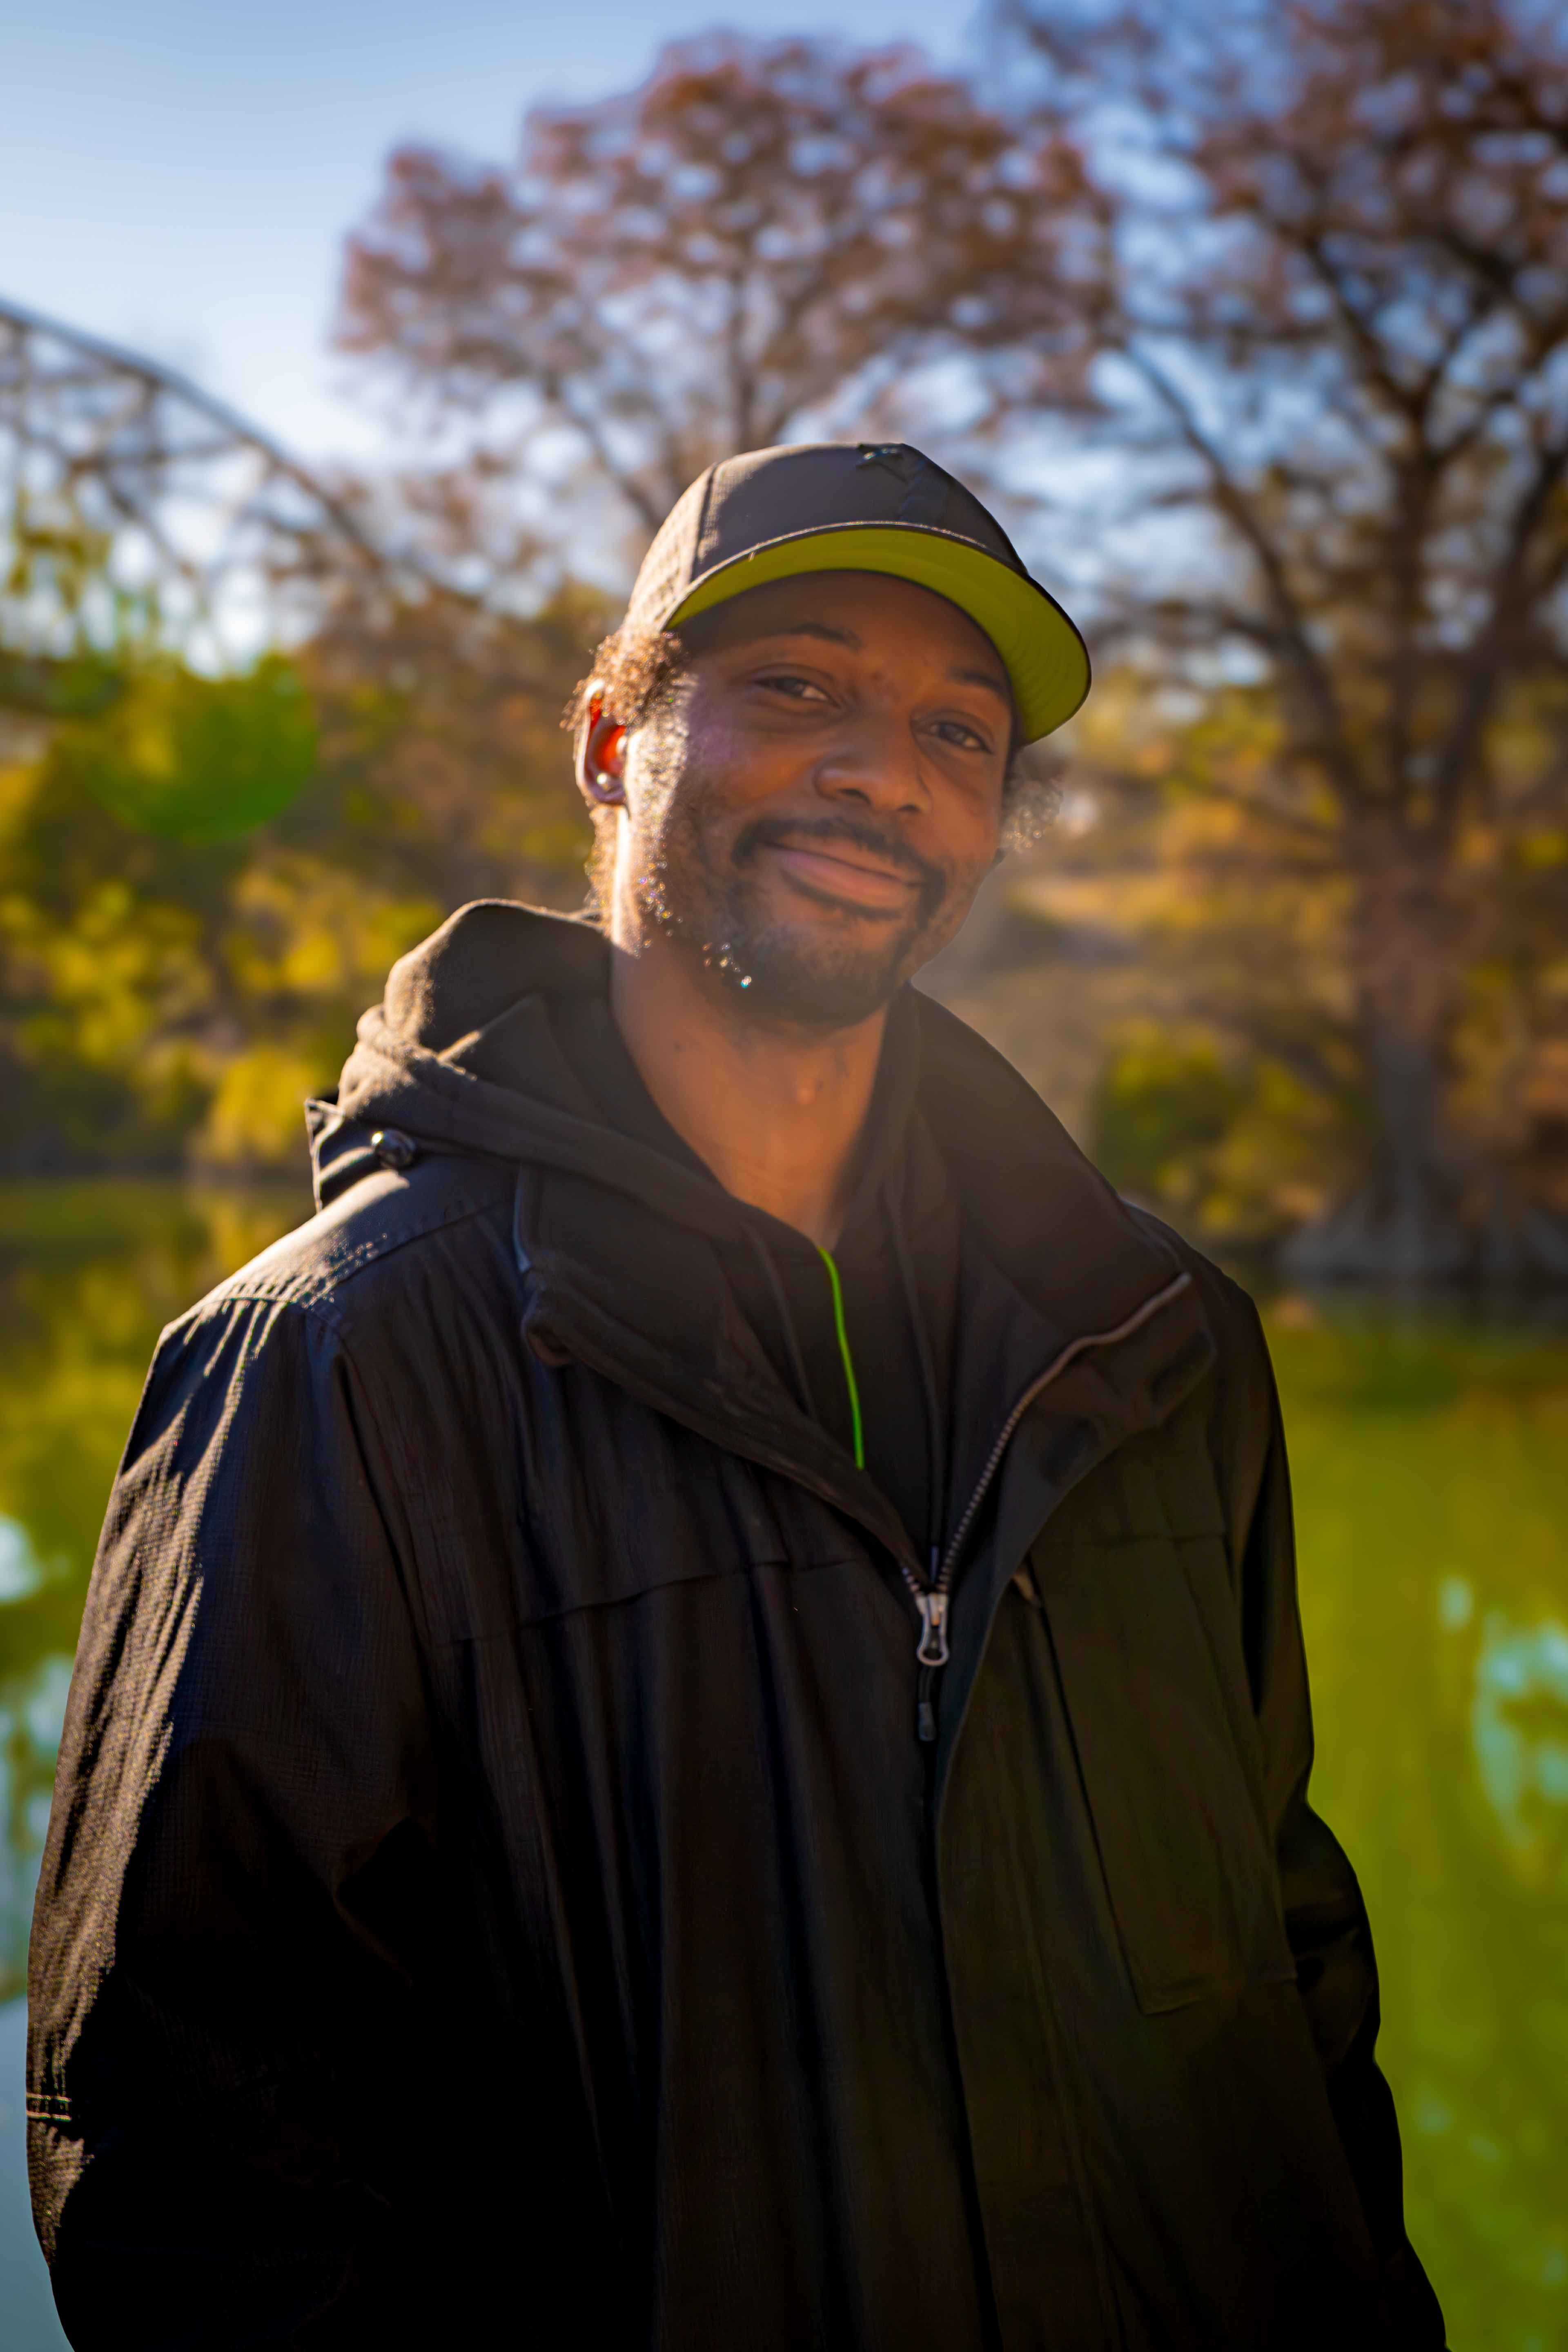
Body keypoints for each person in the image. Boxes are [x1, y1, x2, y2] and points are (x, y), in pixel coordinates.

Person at [27, 442, 1445, 2350]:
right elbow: (193, 2152)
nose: (885, 770)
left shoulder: (1162, 1341)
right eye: (796, 687)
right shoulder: (330, 1364)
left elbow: (1295, 1978)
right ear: (614, 742)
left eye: (958, 730)